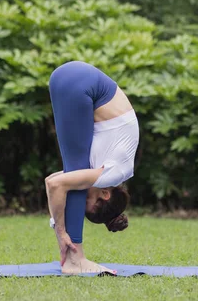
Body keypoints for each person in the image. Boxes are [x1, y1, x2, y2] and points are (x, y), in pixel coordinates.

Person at [44, 61, 139, 275]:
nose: (82, 197)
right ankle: (74, 259)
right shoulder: (112, 174)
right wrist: (61, 232)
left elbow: (52, 183)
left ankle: (73, 257)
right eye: (88, 199)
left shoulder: (107, 166)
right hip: (81, 82)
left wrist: (57, 223)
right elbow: (56, 184)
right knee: (75, 178)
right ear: (105, 194)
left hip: (71, 77)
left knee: (74, 176)